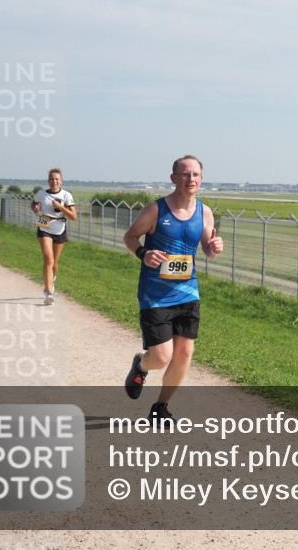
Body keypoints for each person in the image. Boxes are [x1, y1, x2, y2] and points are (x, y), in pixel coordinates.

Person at [122, 155, 223, 423]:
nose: (191, 179)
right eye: (185, 174)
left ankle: (160, 408)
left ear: (201, 179)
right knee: (161, 356)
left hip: (188, 292)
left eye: (196, 175)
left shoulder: (205, 212)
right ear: (173, 178)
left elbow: (206, 246)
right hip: (155, 294)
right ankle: (141, 366)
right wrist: (143, 253)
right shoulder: (157, 210)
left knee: (185, 353)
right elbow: (130, 236)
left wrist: (212, 248)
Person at [32, 168, 77, 305]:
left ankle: (53, 277)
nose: (54, 181)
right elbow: (34, 203)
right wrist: (35, 208)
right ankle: (48, 291)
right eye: (52, 179)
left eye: (57, 179)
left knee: (55, 264)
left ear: (61, 181)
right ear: (48, 180)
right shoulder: (41, 194)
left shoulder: (66, 195)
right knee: (48, 259)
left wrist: (61, 207)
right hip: (44, 224)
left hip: (59, 227)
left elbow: (74, 217)